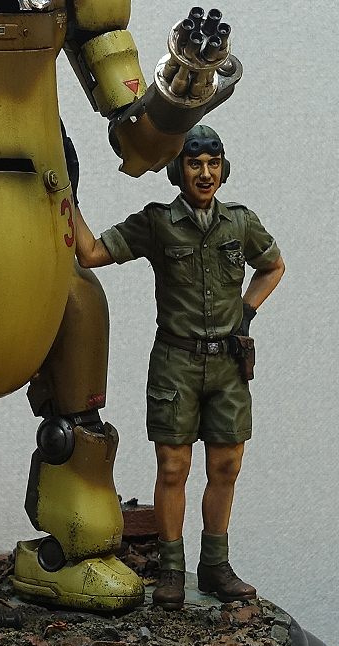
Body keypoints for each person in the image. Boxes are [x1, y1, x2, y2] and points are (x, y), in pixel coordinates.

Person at [74, 125, 285, 609]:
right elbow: (91, 253)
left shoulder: (240, 223)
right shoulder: (158, 223)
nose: (205, 173)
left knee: (226, 464)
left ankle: (215, 566)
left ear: (223, 169)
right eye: (195, 163)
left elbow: (272, 265)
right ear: (178, 170)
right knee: (173, 467)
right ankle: (171, 568)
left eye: (213, 163)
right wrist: (67, 197)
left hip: (228, 365)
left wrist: (246, 313)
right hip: (176, 363)